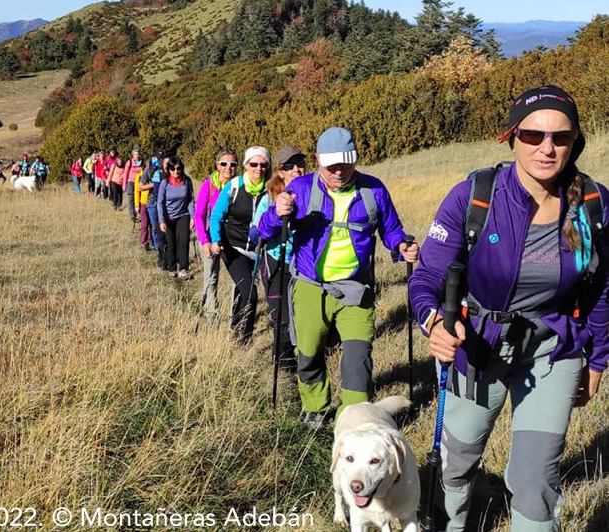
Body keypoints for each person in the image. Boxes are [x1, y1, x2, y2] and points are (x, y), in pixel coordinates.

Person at [409, 86, 609, 532]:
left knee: (535, 478)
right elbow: (425, 278)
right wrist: (433, 320)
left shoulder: (593, 204)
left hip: (553, 352)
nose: (547, 147)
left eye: (560, 137)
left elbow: (602, 288)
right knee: (456, 463)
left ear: (575, 141)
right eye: (533, 135)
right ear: (511, 137)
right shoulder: (474, 197)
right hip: (478, 346)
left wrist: (597, 361)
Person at [259, 127, 418, 426]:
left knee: (358, 357)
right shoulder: (301, 189)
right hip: (309, 285)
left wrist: (401, 246)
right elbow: (266, 232)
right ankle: (315, 408)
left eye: (345, 164)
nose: (338, 172)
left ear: (355, 159)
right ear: (318, 159)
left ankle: (354, 418)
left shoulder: (374, 191)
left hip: (356, 289)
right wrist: (276, 212)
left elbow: (392, 230)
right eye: (331, 166)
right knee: (308, 352)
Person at [252, 146, 306, 372]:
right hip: (276, 261)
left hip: (304, 264)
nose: (296, 169)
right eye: (289, 166)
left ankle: (307, 367)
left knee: (304, 320)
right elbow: (255, 233)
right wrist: (275, 215)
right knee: (282, 320)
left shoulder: (312, 191)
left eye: (300, 163)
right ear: (280, 171)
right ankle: (285, 370)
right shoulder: (268, 197)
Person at [210, 146, 270, 343]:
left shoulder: (270, 189)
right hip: (232, 247)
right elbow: (217, 215)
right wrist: (216, 240)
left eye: (263, 165)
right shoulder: (234, 186)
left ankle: (235, 326)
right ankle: (245, 340)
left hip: (257, 250)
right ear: (245, 165)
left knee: (244, 290)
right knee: (250, 293)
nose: (258, 168)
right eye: (253, 164)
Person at [194, 148, 239, 323]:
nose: (228, 167)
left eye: (233, 164)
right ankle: (212, 314)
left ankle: (236, 316)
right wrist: (204, 241)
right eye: (224, 163)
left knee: (238, 279)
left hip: (234, 239)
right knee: (211, 277)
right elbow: (199, 215)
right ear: (217, 165)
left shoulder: (240, 185)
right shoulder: (209, 185)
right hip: (211, 238)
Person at [157, 156, 195, 280]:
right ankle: (172, 268)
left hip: (183, 215)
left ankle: (183, 268)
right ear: (169, 169)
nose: (176, 171)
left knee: (184, 241)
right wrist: (162, 221)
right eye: (172, 168)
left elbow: (190, 199)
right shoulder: (165, 183)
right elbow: (160, 202)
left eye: (178, 168)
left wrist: (192, 217)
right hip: (168, 217)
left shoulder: (186, 181)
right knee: (171, 243)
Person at [140, 152, 164, 255]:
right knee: (154, 226)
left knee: (162, 224)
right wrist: (153, 185)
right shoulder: (148, 170)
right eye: (155, 159)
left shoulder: (165, 170)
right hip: (152, 201)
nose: (157, 161)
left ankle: (163, 245)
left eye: (159, 159)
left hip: (163, 201)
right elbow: (141, 186)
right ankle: (157, 246)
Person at [123, 147, 143, 222]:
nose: (136, 155)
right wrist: (124, 184)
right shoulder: (129, 162)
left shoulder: (142, 162)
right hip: (130, 182)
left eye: (138, 154)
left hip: (139, 182)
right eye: (135, 154)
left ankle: (140, 214)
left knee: (139, 198)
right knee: (130, 198)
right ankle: (132, 215)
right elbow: (125, 173)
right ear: (133, 155)